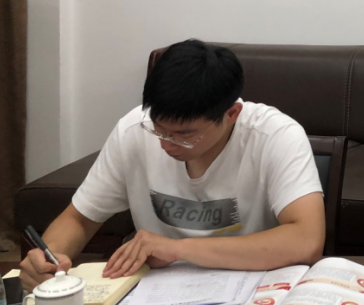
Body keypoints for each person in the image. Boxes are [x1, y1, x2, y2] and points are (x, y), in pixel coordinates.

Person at [20, 40, 325, 289]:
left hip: (253, 286)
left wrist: (177, 249)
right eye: (159, 129)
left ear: (231, 114)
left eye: (185, 135)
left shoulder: (275, 136)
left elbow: (306, 240)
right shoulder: (133, 131)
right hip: (157, 291)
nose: (166, 144)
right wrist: (50, 255)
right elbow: (79, 219)